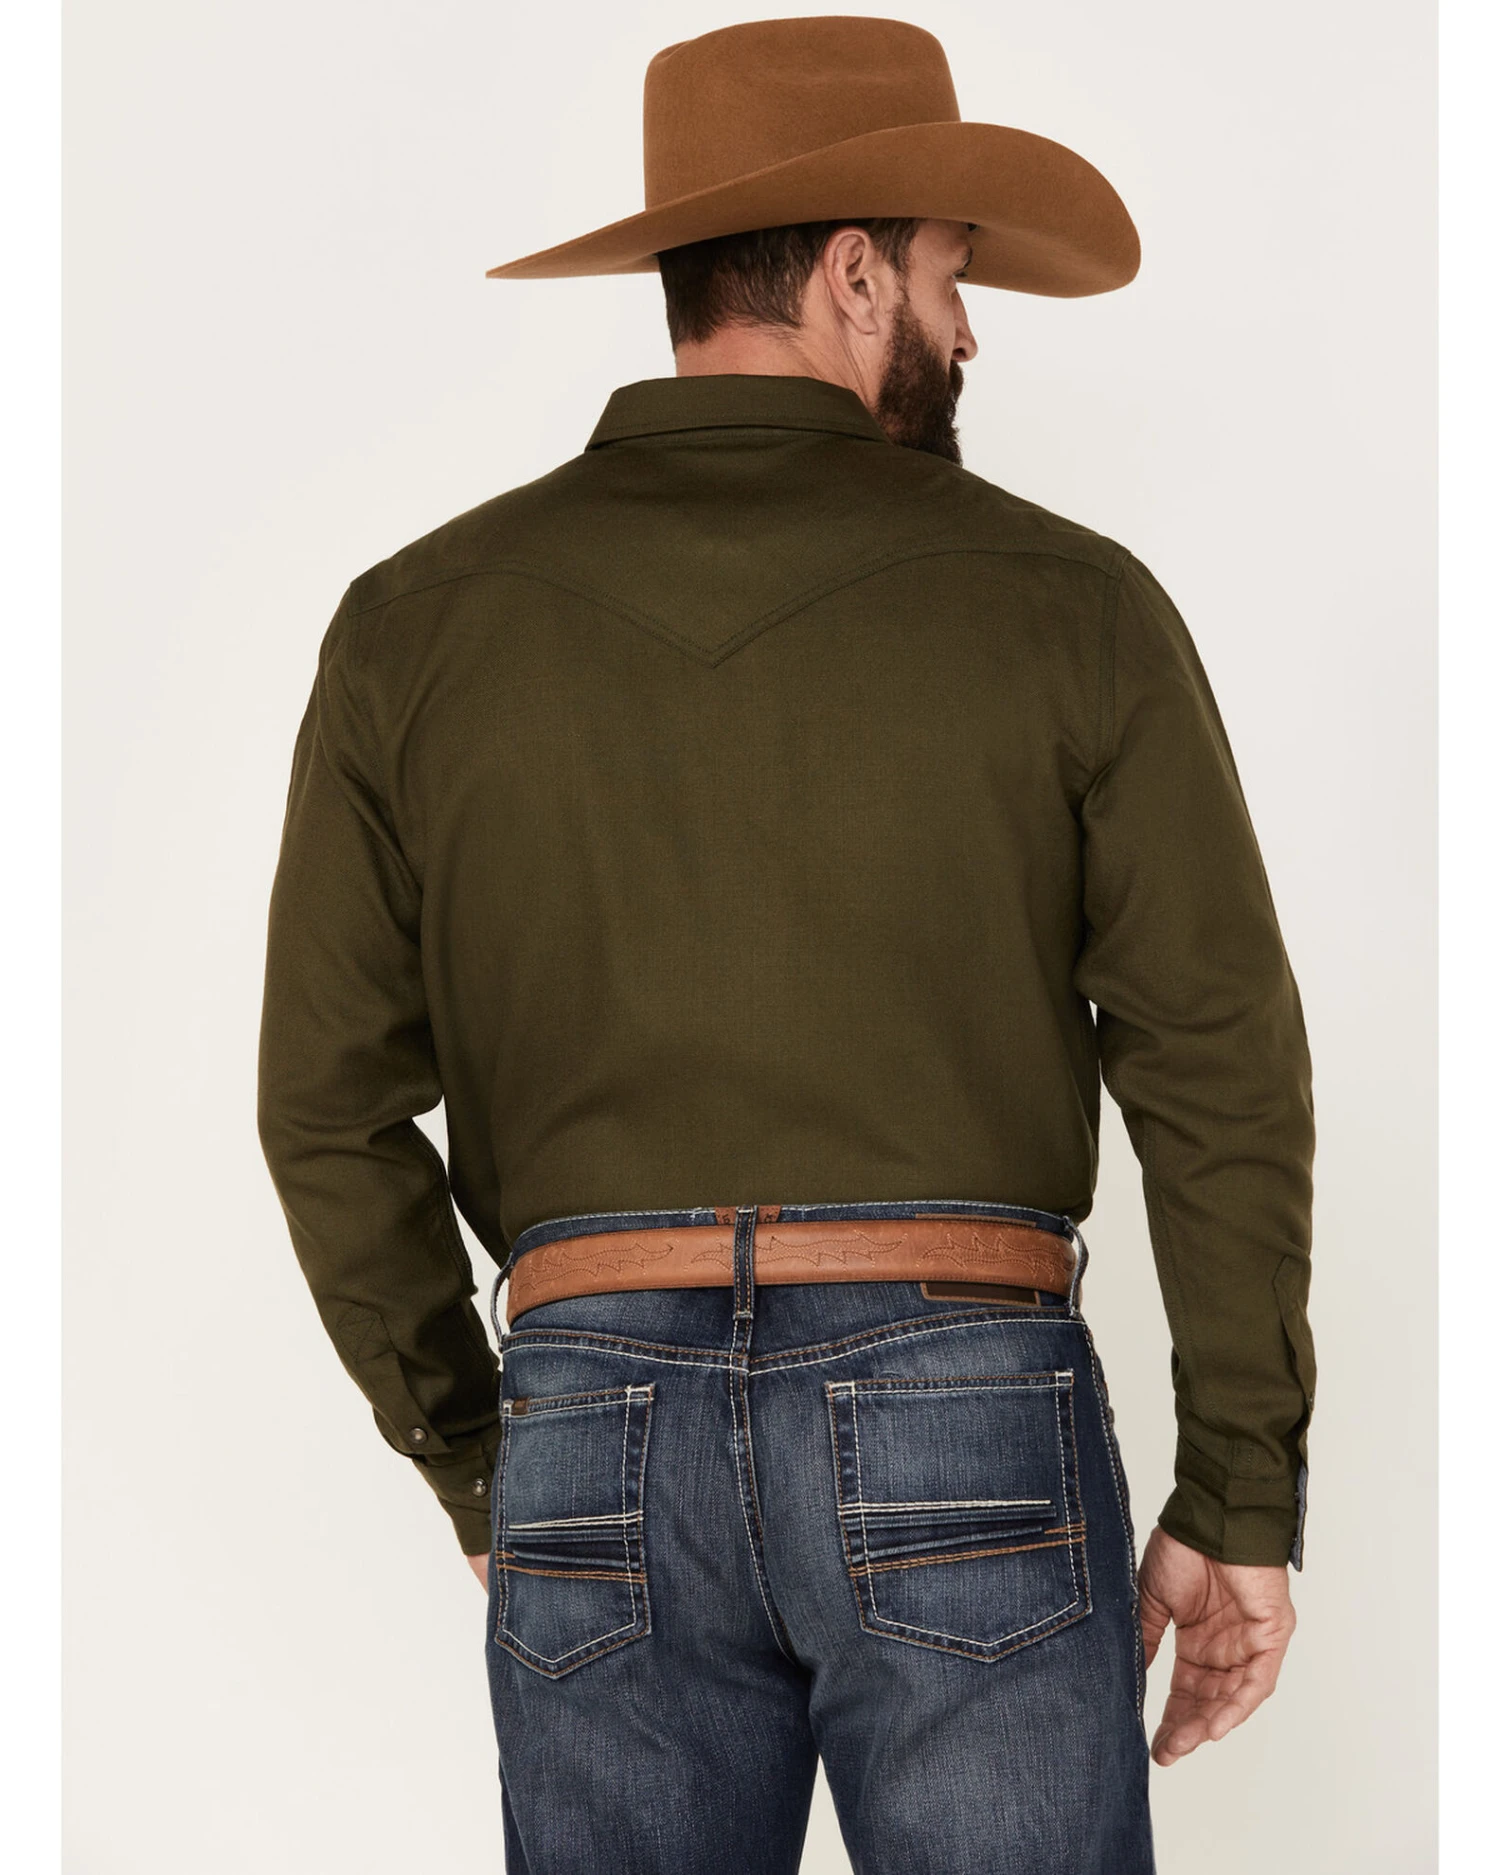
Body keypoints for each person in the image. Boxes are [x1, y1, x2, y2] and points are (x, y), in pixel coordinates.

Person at [256, 17, 1317, 1874]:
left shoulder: (410, 629)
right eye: (952, 276)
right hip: (963, 1404)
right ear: (852, 276)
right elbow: (1216, 1058)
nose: (971, 334)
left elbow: (322, 1109)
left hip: (591, 1414)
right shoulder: (1073, 604)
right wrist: (1239, 1486)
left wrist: (485, 1452)